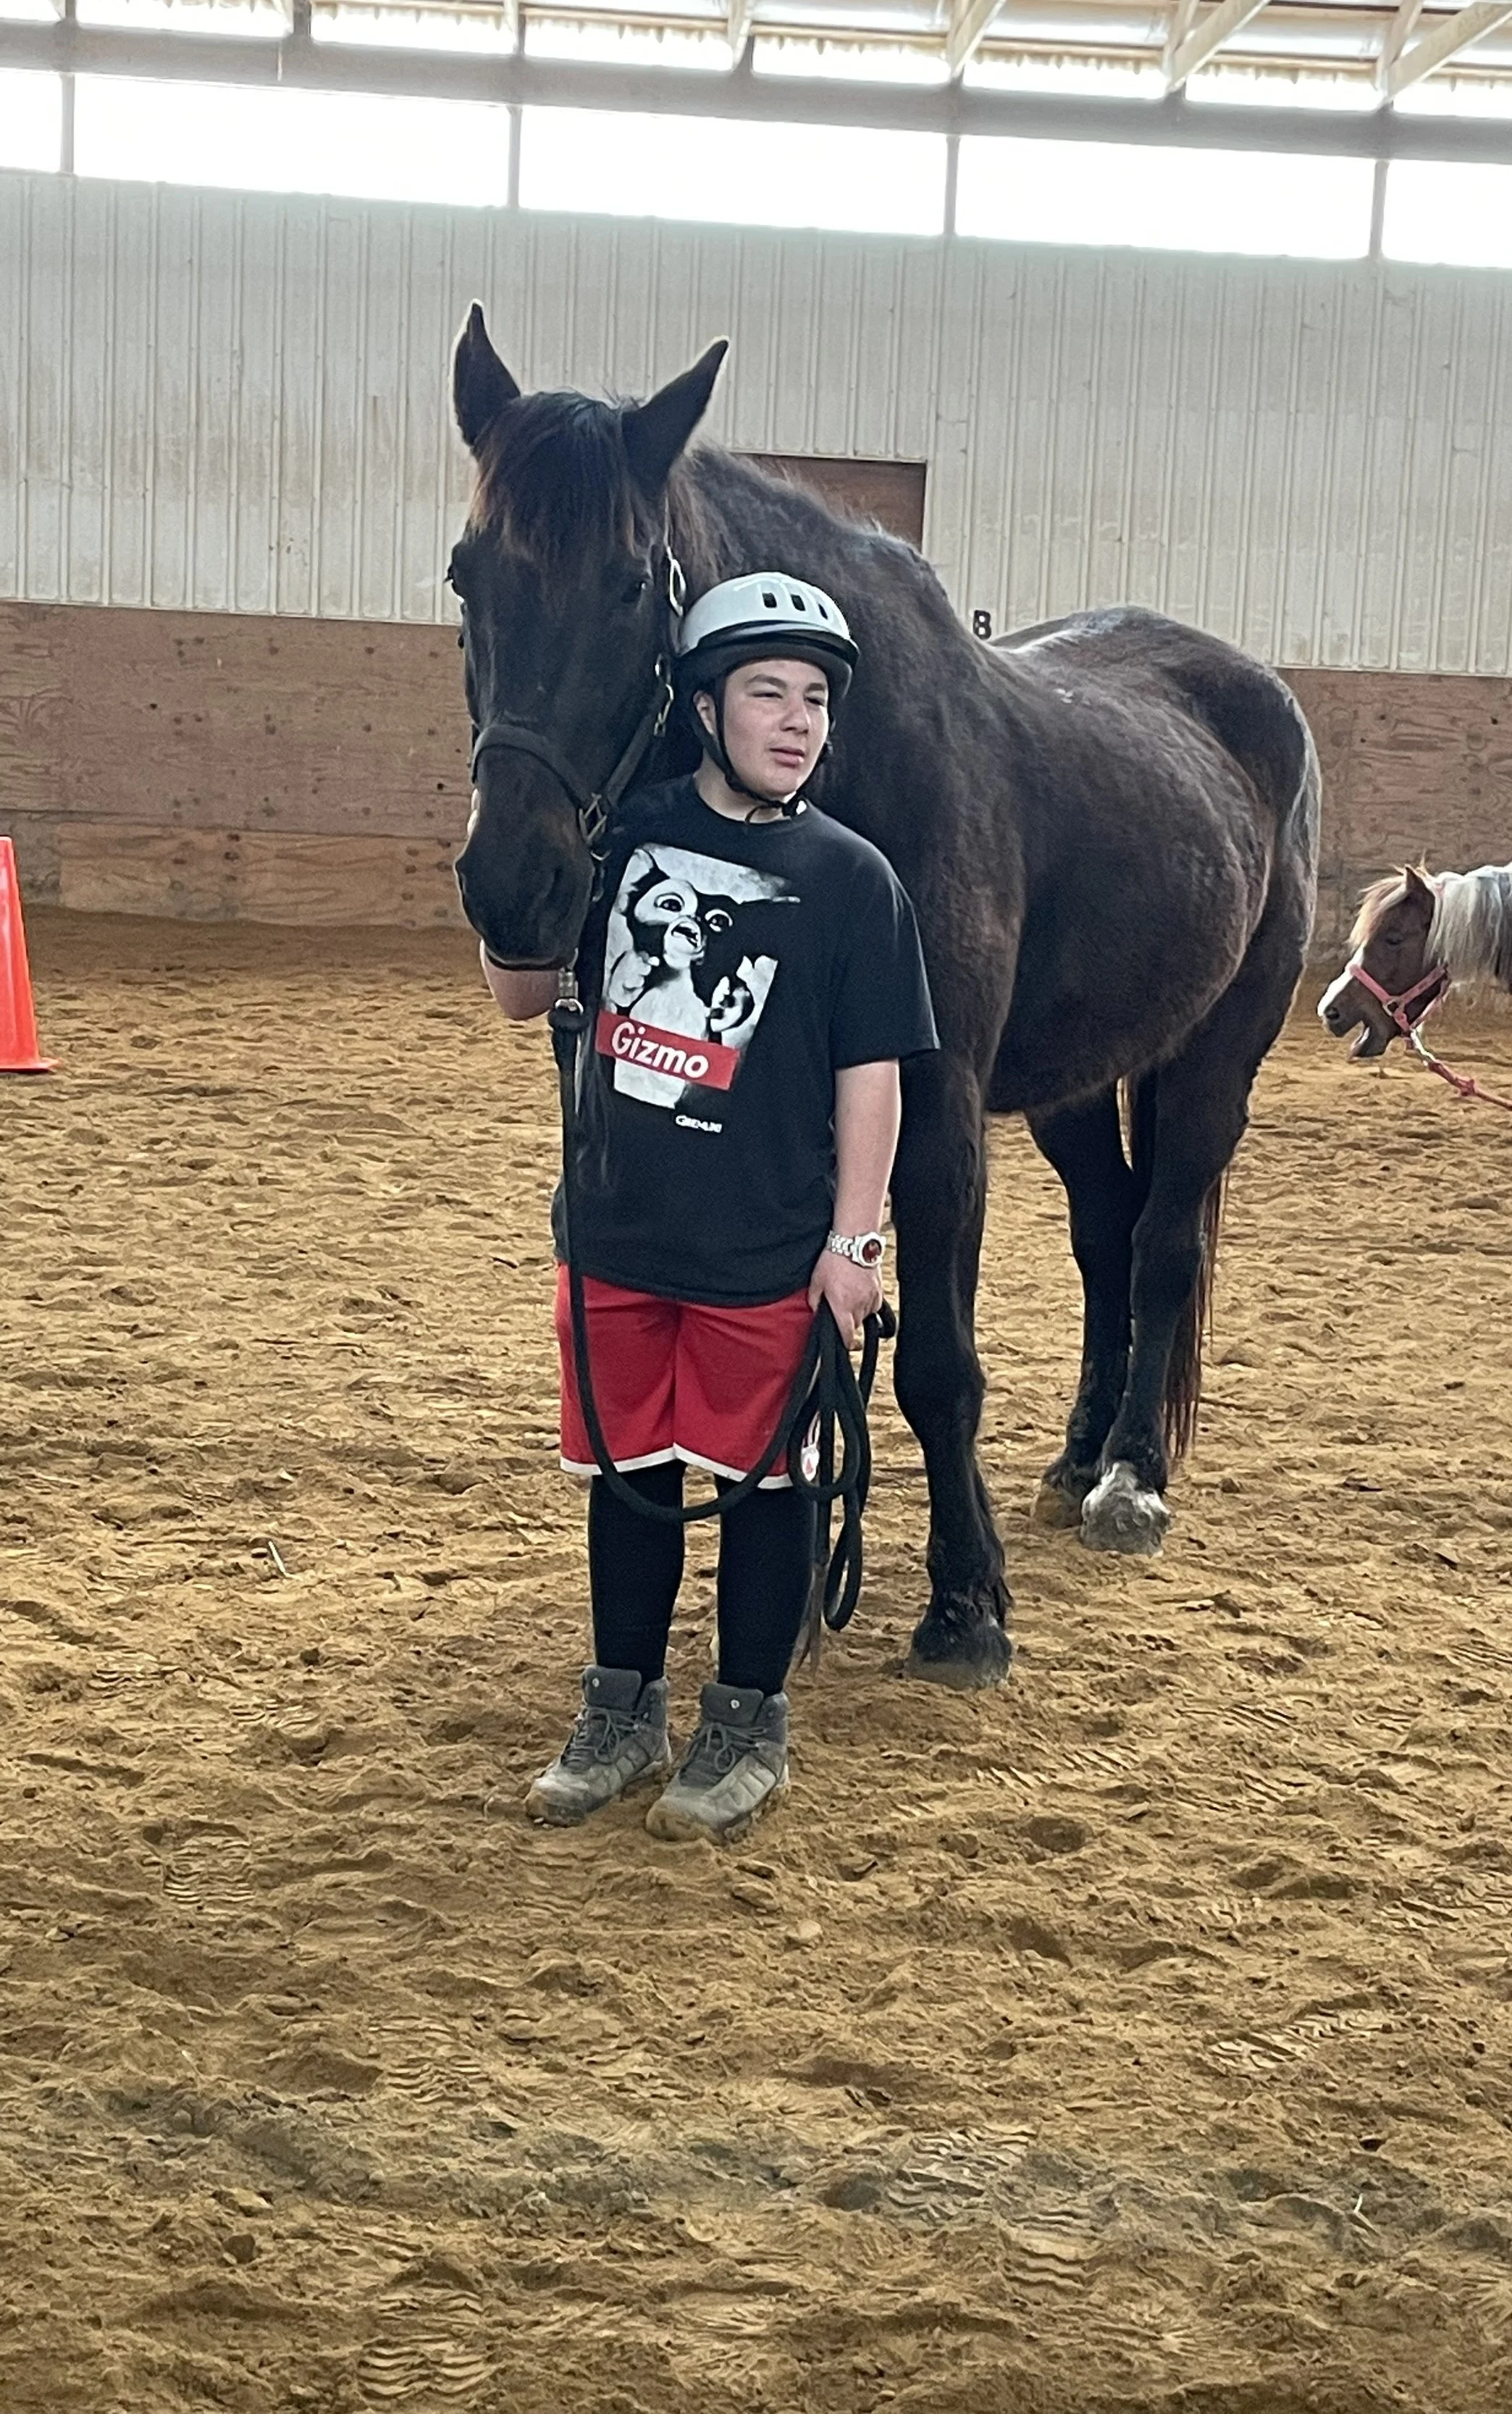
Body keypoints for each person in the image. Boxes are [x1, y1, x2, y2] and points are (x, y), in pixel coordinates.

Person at [482, 573, 938, 1843]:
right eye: (765, 694)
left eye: (814, 702)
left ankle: (746, 1722)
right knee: (624, 1482)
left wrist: (856, 1241)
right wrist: (506, 884)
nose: (795, 722)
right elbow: (525, 1003)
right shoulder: (618, 837)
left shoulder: (854, 882)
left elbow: (874, 1076)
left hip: (768, 1251)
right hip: (619, 1231)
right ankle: (620, 1711)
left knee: (763, 1487)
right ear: (702, 705)